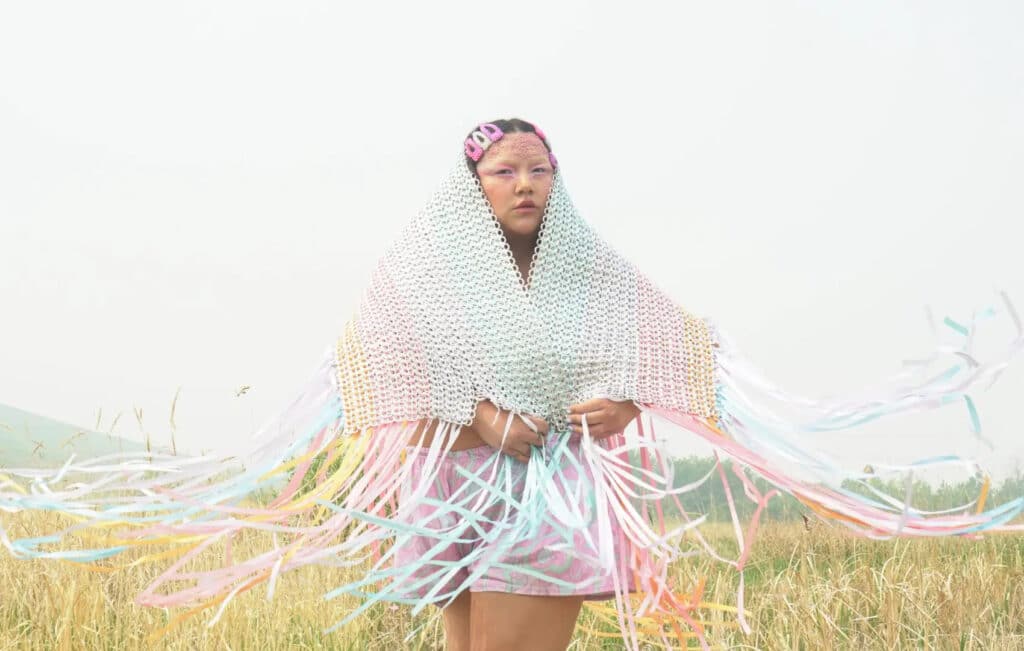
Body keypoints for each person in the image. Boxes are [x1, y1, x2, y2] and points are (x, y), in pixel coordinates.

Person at [1, 118, 1020, 651]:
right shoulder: (426, 271)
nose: (526, 182)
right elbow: (378, 369)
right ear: (473, 186)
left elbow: (667, 349)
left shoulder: (592, 270)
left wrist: (624, 402)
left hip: (552, 497)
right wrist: (480, 417)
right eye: (505, 170)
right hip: (455, 494)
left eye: (539, 168)